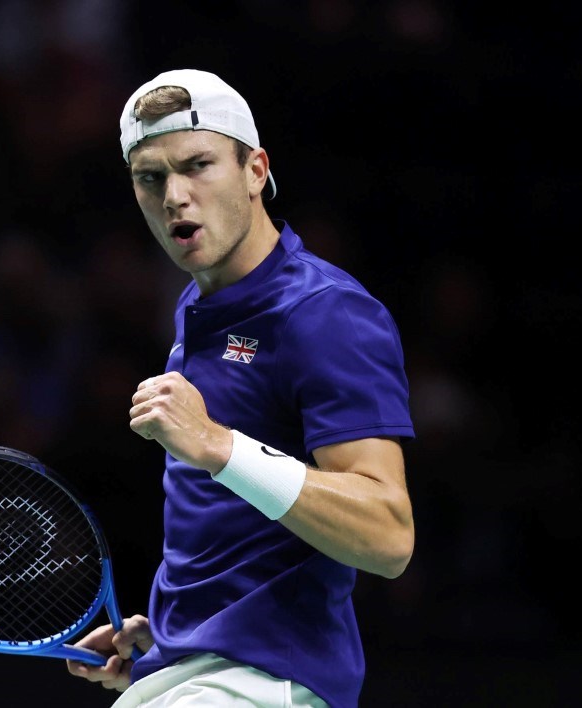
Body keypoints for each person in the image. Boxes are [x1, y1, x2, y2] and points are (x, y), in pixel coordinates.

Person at [65, 68, 416, 708]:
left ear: (256, 170)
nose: (174, 195)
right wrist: (165, 637)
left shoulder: (326, 312)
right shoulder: (196, 310)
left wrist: (220, 445)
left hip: (263, 683)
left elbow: (389, 535)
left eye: (197, 165)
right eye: (151, 177)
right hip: (194, 674)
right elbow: (238, 535)